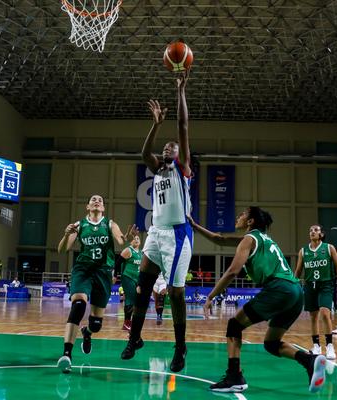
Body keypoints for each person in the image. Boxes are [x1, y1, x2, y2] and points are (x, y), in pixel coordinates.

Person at [189, 207, 327, 393]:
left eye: (243, 214)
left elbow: (232, 271)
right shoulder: (261, 239)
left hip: (279, 288)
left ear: (250, 221)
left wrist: (211, 296)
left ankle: (234, 376)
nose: (238, 216)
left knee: (234, 325)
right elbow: (219, 240)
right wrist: (194, 225)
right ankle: (309, 360)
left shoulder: (249, 239)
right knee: (271, 343)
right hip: (295, 292)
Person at [121, 70, 193, 373]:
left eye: (171, 148)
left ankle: (180, 348)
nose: (167, 148)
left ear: (178, 154)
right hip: (156, 233)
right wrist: (154, 125)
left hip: (178, 235)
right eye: (165, 147)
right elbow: (143, 152)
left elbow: (183, 126)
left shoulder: (182, 168)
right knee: (142, 286)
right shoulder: (158, 169)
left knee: (176, 293)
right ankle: (135, 338)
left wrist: (179, 91)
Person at [56, 194, 137, 373]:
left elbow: (121, 241)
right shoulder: (79, 225)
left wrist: (129, 239)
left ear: (103, 208)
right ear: (87, 207)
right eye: (93, 199)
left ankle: (88, 333)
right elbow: (62, 249)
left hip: (103, 272)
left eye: (100, 200)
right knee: (78, 305)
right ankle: (67, 355)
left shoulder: (110, 224)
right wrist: (66, 234)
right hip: (83, 270)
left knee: (96, 325)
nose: (97, 201)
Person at [294, 225, 337, 360]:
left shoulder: (329, 248)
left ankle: (329, 346)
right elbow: (298, 271)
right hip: (310, 285)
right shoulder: (303, 251)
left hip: (326, 284)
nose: (312, 232)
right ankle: (316, 345)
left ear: (321, 234)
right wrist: (293, 284)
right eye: (310, 230)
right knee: (313, 316)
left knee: (325, 313)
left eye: (315, 230)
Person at [117, 235, 142, 331]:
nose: (136, 240)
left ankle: (129, 322)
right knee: (130, 299)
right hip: (127, 277)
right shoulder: (128, 250)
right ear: (131, 242)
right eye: (134, 239)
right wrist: (115, 275)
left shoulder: (140, 253)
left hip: (137, 279)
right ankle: (126, 323)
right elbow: (118, 263)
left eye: (138, 238)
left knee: (136, 301)